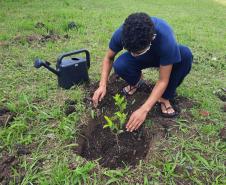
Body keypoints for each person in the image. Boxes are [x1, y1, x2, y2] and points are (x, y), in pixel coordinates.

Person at [92, 12, 193, 132]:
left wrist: (144, 109)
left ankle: (165, 97)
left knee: (186, 55)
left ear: (152, 39)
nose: (134, 54)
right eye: (131, 51)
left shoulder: (166, 39)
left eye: (137, 52)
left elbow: (162, 80)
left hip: (163, 56)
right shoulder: (123, 33)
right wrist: (102, 85)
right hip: (144, 53)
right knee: (121, 65)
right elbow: (108, 58)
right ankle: (136, 82)